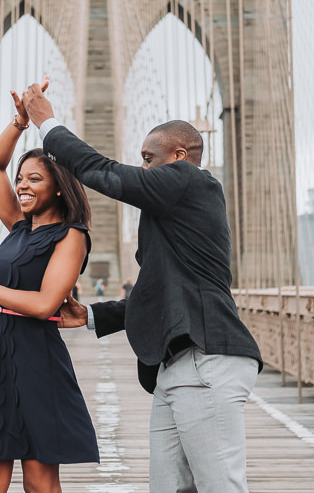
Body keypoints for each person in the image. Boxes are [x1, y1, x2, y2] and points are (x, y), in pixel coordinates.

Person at [21, 82, 264, 493]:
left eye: (149, 160)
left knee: (220, 486)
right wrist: (95, 314)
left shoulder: (190, 182)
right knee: (168, 488)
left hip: (205, 360)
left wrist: (47, 123)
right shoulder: (176, 212)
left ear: (180, 156)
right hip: (173, 367)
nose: (144, 170)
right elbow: (166, 286)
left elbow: (107, 174)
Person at [0, 85, 99, 493]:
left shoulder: (71, 237)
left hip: (39, 361)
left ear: (60, 187)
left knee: (39, 482)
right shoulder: (17, 225)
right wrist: (19, 124)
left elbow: (47, 302)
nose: (23, 185)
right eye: (21, 179)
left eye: (35, 179)